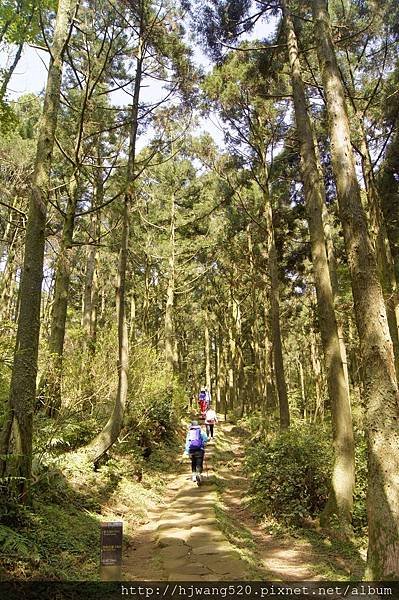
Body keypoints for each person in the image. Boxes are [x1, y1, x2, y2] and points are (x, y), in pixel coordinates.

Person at [184, 420, 208, 484]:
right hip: (200, 450)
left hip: (191, 450)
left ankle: (194, 476)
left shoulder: (189, 432)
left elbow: (187, 442)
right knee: (199, 463)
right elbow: (206, 439)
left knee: (193, 462)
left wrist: (186, 451)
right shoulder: (201, 431)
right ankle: (198, 473)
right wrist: (203, 443)